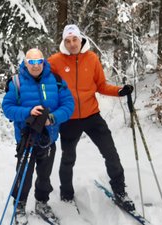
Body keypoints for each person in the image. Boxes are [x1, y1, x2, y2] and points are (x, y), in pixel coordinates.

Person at [48, 24, 135, 211]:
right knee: (68, 158)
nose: (72, 44)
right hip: (69, 118)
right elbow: (36, 73)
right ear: (64, 42)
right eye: (68, 41)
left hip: (92, 116)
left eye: (74, 39)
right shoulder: (55, 61)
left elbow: (101, 86)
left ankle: (120, 191)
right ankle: (66, 194)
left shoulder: (92, 58)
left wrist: (120, 91)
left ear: (81, 39)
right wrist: (16, 82)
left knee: (110, 153)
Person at [2, 48, 74, 224]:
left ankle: (42, 203)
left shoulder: (56, 80)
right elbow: (7, 108)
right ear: (25, 63)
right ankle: (19, 204)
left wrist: (53, 118)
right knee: (24, 174)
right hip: (27, 139)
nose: (35, 66)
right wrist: (28, 112)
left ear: (43, 62)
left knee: (44, 174)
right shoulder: (16, 82)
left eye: (38, 61)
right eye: (31, 62)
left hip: (48, 137)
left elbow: (68, 105)